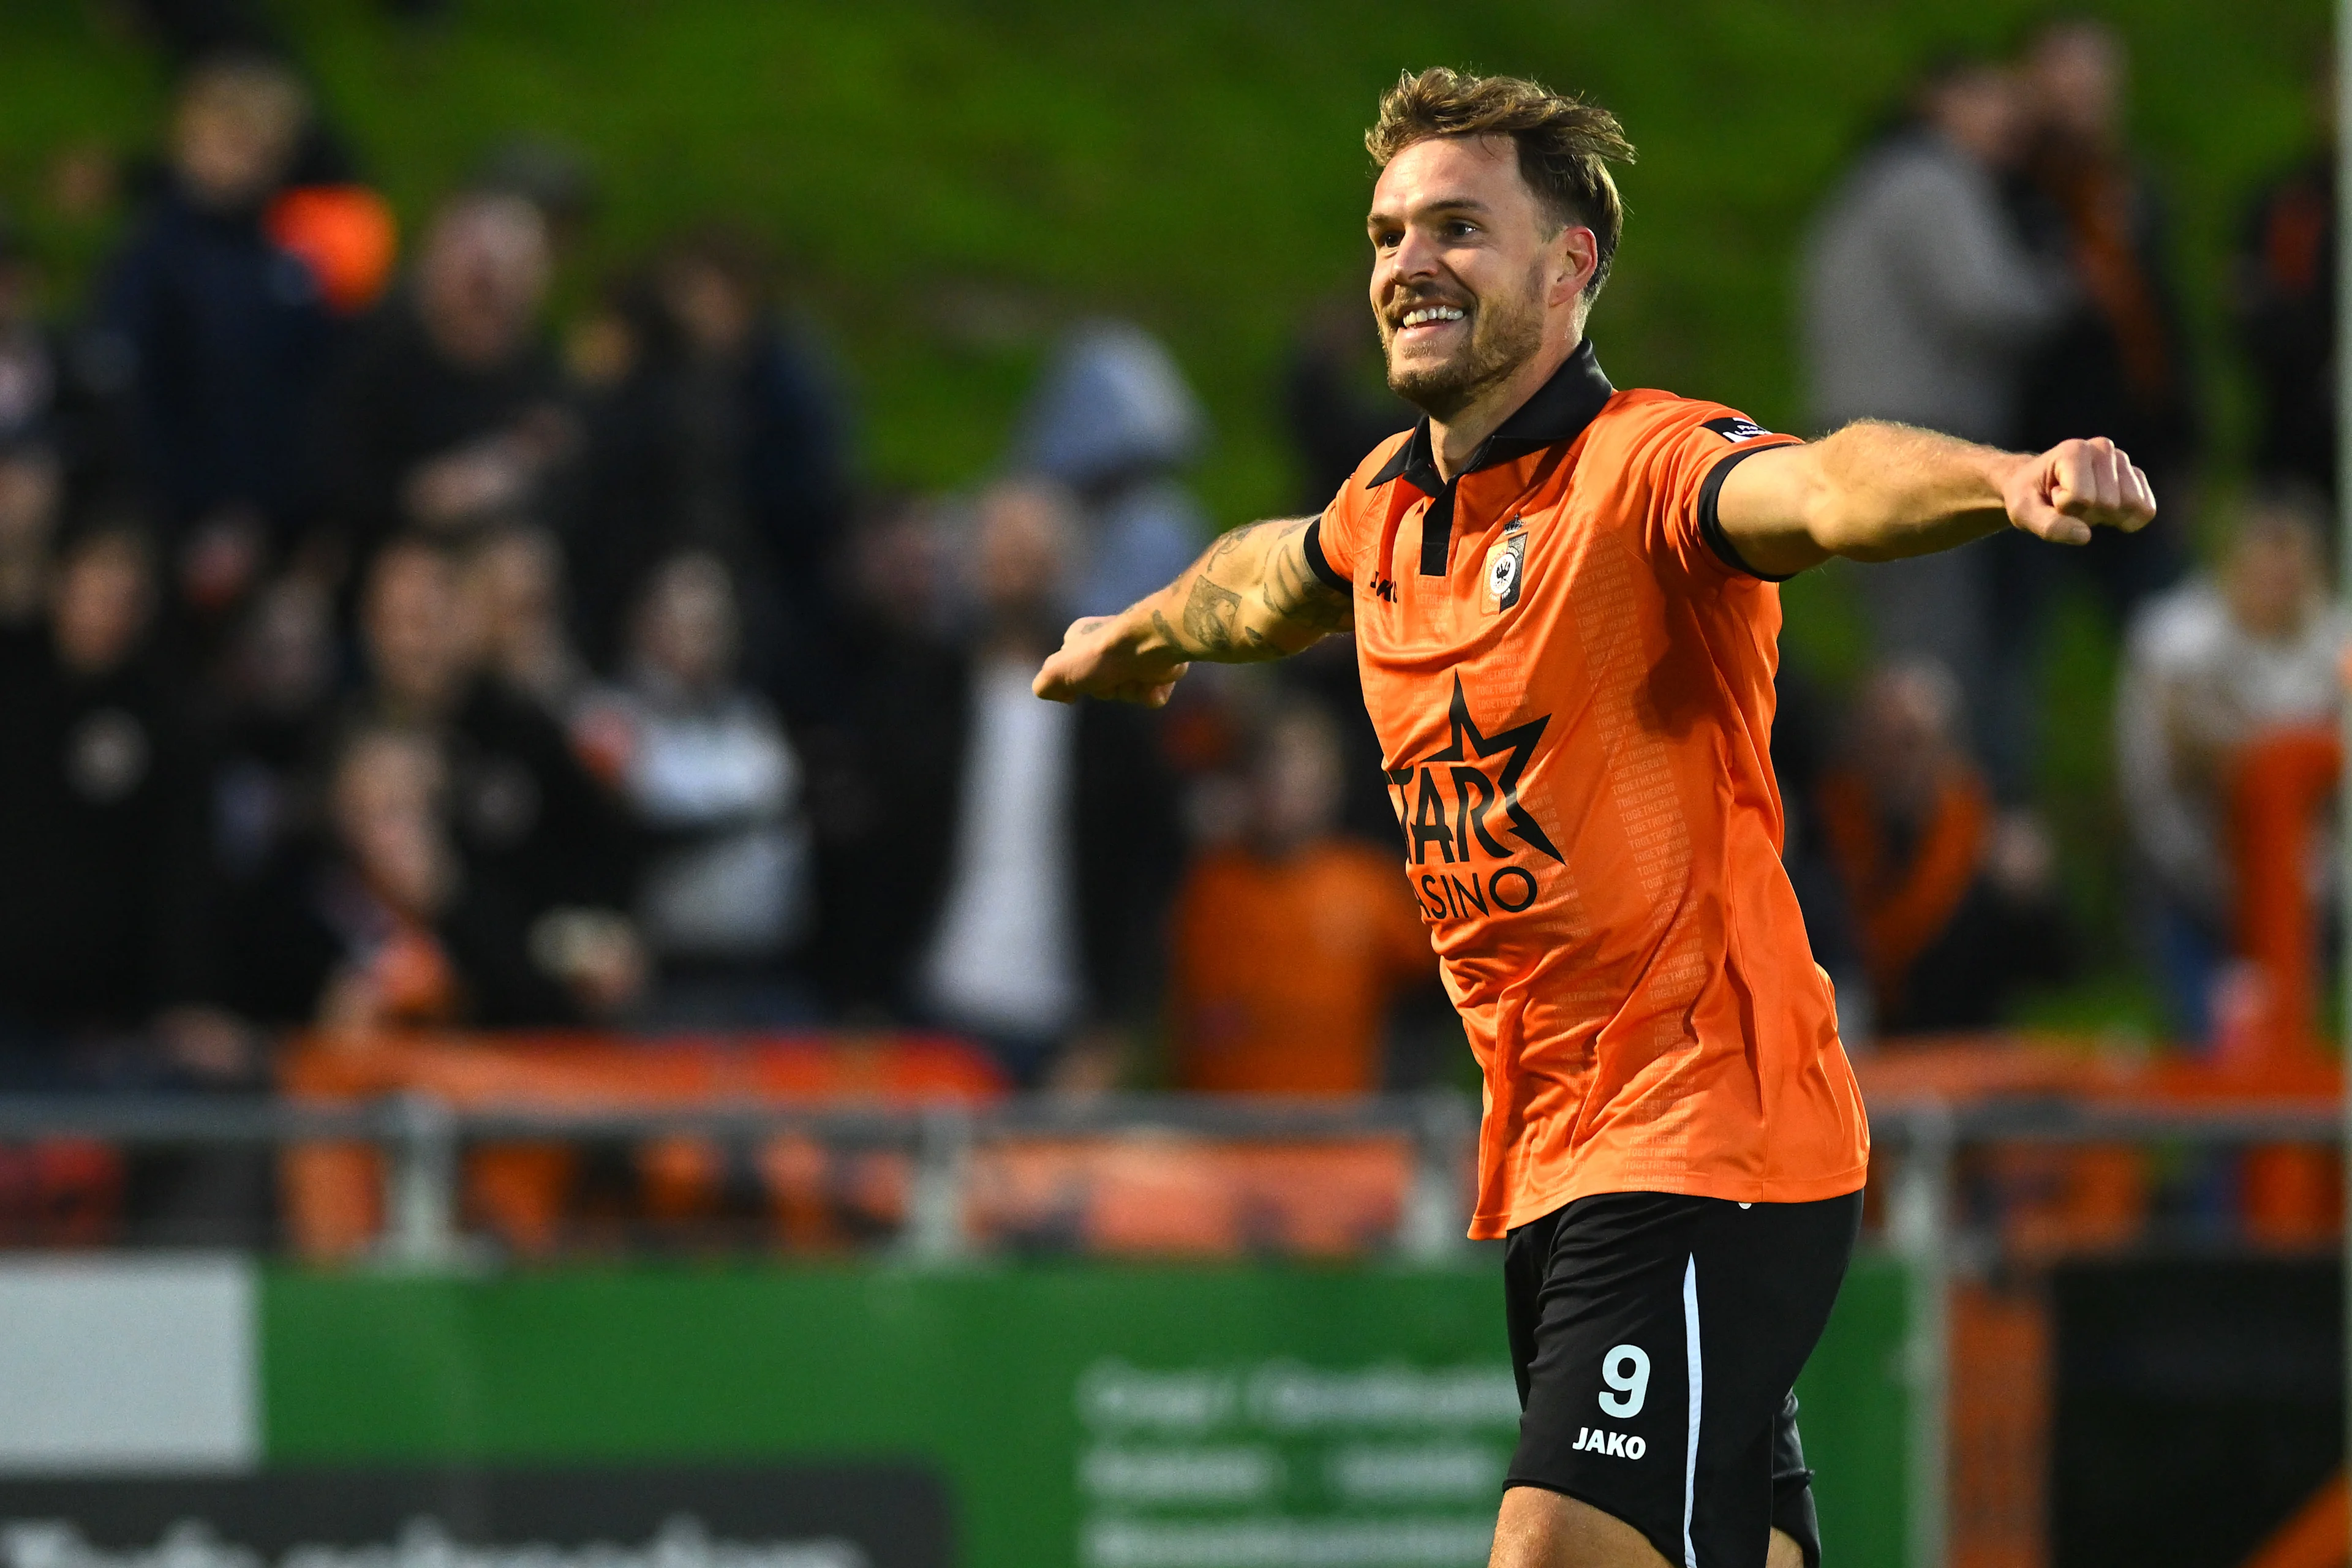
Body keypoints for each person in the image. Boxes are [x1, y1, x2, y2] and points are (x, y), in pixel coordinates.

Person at [1035, 67, 2155, 1568]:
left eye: (1455, 227)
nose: (1404, 262)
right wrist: (1150, 632)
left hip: (1700, 1123)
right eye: (1383, 234)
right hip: (1560, 1151)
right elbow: (1265, 578)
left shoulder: (1640, 470)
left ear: (1570, 265)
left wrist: (2000, 479)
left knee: (1554, 1548)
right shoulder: (1389, 513)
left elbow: (1822, 487)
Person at [1801, 56, 2073, 789]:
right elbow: (1983, 299)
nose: (2007, 119)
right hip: (1911, 439)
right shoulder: (1931, 179)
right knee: (1934, 665)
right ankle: (1934, 848)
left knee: (1908, 652)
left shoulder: (1876, 179)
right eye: (1989, 95)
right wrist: (2064, 287)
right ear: (1939, 100)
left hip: (1856, 438)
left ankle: (1902, 837)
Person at [93, 53, 336, 615]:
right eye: (225, 139)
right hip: (159, 525)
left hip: (264, 531)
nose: (238, 161)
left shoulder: (291, 271)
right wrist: (185, 517)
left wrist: (261, 518)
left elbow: (308, 397)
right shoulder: (148, 260)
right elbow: (128, 396)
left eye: (258, 147)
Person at [2115, 491, 2348, 1044]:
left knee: (2292, 1046)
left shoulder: (2338, 643)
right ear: (2229, 568)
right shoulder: (2174, 644)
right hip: (2194, 886)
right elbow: (2150, 778)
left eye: (2292, 573)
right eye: (2262, 571)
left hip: (2309, 895)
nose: (2276, 588)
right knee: (2215, 1051)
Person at [582, 550, 815, 1025]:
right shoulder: (611, 719)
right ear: (646, 624)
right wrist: (743, 814)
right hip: (671, 975)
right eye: (682, 621)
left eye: (712, 623)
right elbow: (648, 811)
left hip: (766, 970)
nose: (698, 639)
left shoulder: (753, 720)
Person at [1168, 698, 1431, 1095]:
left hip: (1339, 1134)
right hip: (1222, 1134)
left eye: (1303, 773)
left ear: (1334, 784)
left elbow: (1450, 983)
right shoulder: (1208, 886)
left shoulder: (1370, 885)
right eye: (1272, 771)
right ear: (1247, 781)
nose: (1286, 789)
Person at [1815, 661, 2074, 1036]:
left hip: (1964, 1056)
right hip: (1859, 1058)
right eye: (1876, 741)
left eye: (1909, 742)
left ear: (1945, 750)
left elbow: (2058, 972)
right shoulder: (1825, 837)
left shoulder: (1983, 842)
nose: (1893, 761)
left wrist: (2035, 899)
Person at [321, 191, 573, 562]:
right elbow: (328, 478)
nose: (492, 300)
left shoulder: (546, 379)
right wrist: (420, 496)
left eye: (514, 277)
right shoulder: (372, 351)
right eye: (478, 281)